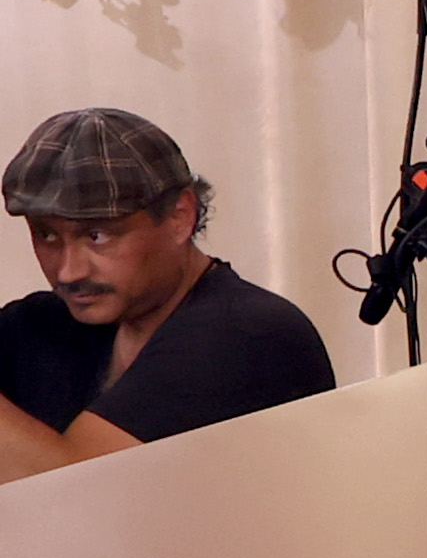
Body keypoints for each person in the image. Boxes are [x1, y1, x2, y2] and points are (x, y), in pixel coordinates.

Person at [1, 109, 333, 483]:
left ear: (180, 216)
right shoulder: (46, 325)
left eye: (97, 236)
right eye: (47, 236)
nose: (69, 271)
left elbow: (77, 492)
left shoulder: (251, 335)